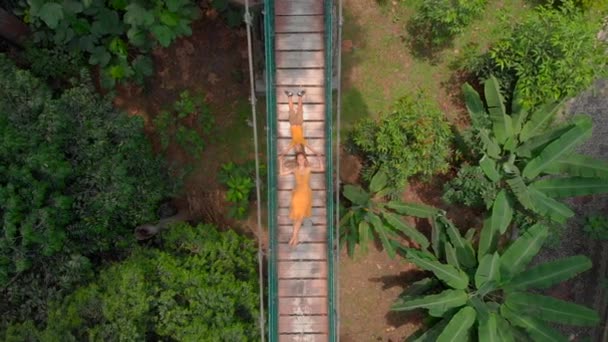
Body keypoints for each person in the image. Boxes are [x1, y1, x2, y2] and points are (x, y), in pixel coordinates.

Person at [279, 146, 324, 246]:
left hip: (306, 194)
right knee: (297, 217)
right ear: (297, 160)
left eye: (302, 158)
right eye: (298, 159)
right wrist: (280, 162)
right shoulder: (295, 169)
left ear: (305, 159)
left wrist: (320, 158)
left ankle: (295, 238)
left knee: (299, 217)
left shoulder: (308, 169)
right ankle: (294, 238)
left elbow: (321, 168)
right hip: (297, 195)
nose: (300, 160)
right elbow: (282, 173)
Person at [284, 89, 308, 154]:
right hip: (299, 123)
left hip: (293, 124)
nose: (297, 146)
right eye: (299, 148)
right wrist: (316, 153)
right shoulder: (302, 141)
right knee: (300, 109)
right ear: (301, 146)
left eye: (296, 148)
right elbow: (310, 147)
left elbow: (287, 149)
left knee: (291, 110)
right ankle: (300, 96)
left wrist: (282, 155)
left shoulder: (293, 142)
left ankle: (290, 96)